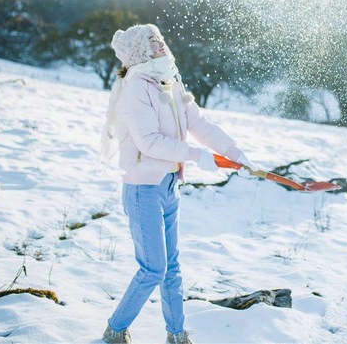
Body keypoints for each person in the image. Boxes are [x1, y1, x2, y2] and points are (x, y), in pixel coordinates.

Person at [99, 24, 256, 344]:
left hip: (169, 187)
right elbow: (150, 142)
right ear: (140, 52)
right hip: (143, 190)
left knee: (171, 270)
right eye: (152, 41)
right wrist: (197, 156)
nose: (161, 44)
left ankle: (177, 335)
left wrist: (235, 154)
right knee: (153, 269)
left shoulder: (169, 81)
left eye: (160, 39)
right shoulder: (135, 88)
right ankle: (115, 329)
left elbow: (198, 123)